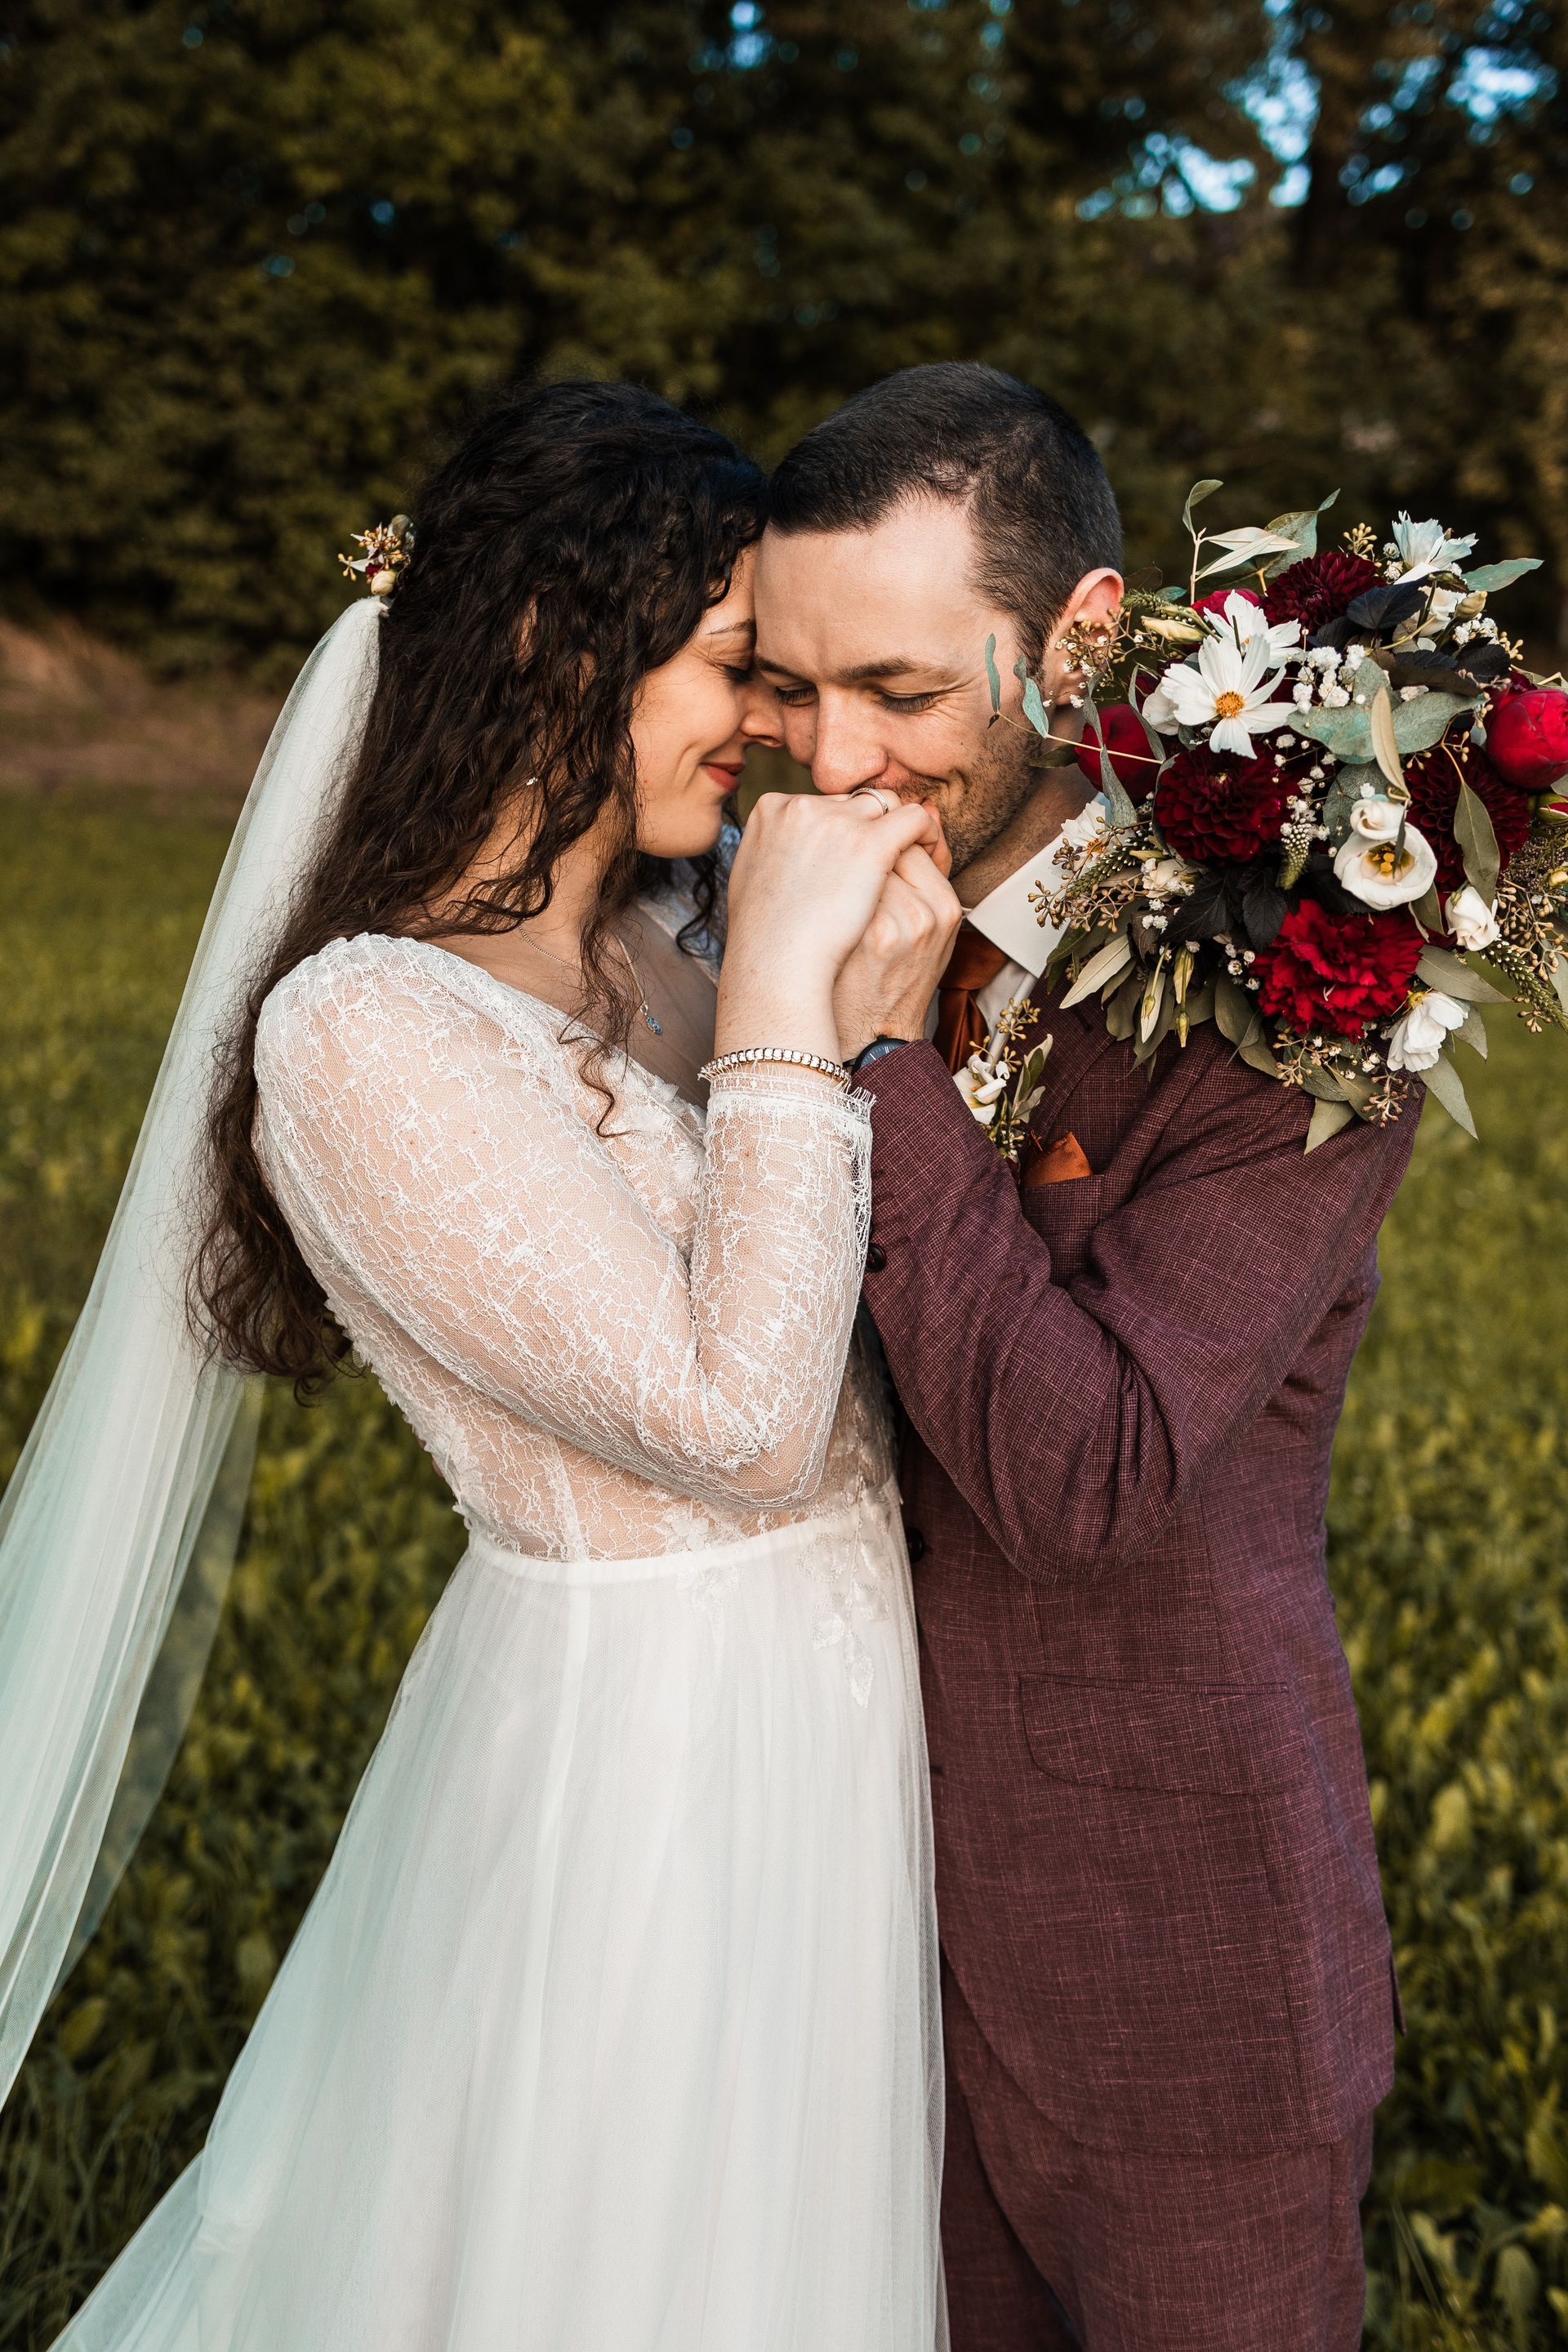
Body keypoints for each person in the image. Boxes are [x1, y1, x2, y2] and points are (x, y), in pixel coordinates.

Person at [14, 381, 960, 2350]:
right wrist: (799, 1011)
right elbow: (742, 1420)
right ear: (552, 643)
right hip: (651, 1762)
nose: (782, 728)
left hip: (831, 1715)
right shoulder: (365, 1033)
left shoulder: (669, 957)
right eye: (737, 668)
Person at [754, 361, 1420, 2352]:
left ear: (1081, 644)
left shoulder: (1302, 989)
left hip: (1174, 1977)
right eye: (788, 687)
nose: (831, 759)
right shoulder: (759, 914)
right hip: (832, 1946)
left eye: (899, 691)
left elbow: (1087, 1477)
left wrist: (873, 1063)